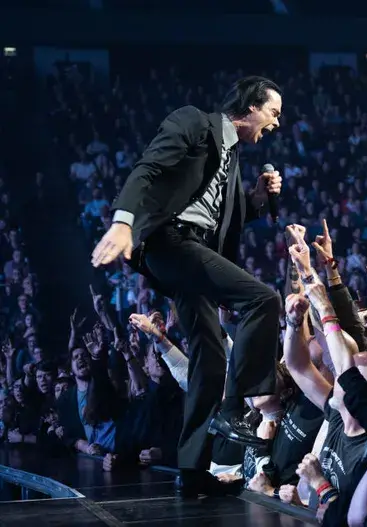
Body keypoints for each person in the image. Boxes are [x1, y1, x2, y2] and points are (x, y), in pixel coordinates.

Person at [89, 76, 284, 498]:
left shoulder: (232, 159)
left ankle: (193, 471)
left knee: (210, 358)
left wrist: (256, 199)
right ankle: (235, 408)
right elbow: (149, 168)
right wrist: (123, 222)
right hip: (169, 242)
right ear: (251, 106)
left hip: (193, 251)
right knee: (264, 299)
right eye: (273, 112)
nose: (276, 123)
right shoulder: (195, 122)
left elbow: (220, 218)